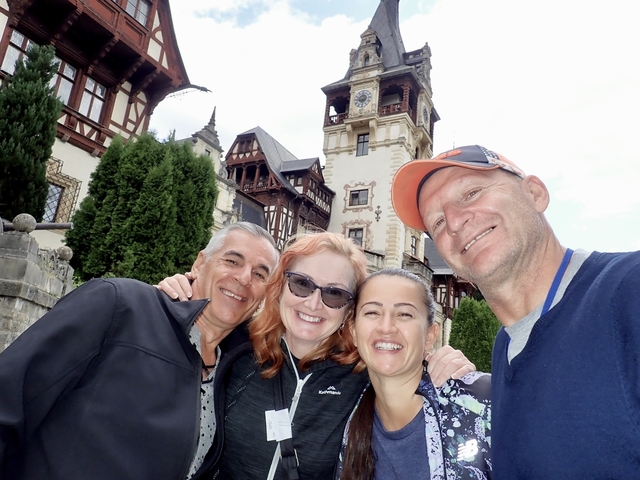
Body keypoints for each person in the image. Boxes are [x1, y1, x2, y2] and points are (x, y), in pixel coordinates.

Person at [391, 144, 640, 478]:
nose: (453, 222)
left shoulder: (627, 291)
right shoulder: (505, 348)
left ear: (535, 193)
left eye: (471, 192)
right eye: (436, 222)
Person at [158, 232, 476, 479]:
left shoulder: (365, 376)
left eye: (334, 293)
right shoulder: (237, 347)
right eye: (301, 284)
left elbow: (406, 369)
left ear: (350, 309)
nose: (313, 304)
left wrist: (445, 366)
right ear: (280, 286)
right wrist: (177, 298)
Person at [0, 222, 279, 480]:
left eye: (259, 274)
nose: (244, 278)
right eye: (232, 261)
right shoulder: (119, 305)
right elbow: (10, 398)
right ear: (200, 263)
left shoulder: (237, 369)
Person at [336, 268, 491, 480]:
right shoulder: (347, 420)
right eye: (372, 312)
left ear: (430, 335)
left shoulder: (482, 404)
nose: (386, 327)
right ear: (353, 332)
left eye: (404, 314)